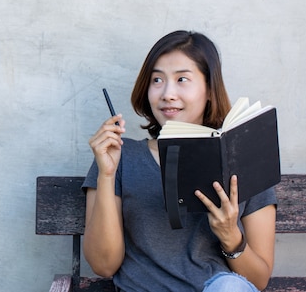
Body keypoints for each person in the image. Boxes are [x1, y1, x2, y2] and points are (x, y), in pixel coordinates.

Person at [83, 30, 277, 292]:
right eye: (157, 80)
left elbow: (258, 281)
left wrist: (231, 237)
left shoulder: (245, 161)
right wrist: (106, 176)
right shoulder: (120, 156)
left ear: (209, 89)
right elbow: (104, 265)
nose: (168, 93)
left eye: (182, 79)